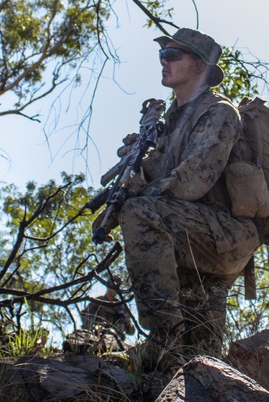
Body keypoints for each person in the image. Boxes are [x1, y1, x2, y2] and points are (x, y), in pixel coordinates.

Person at [104, 28, 259, 361]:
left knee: (140, 212)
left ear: (200, 67)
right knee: (199, 355)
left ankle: (162, 339)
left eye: (173, 56)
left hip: (224, 234)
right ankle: (176, 359)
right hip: (191, 234)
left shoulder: (218, 112)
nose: (164, 62)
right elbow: (156, 174)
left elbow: (192, 182)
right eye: (162, 56)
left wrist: (138, 197)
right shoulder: (169, 125)